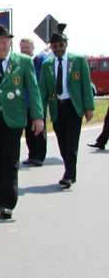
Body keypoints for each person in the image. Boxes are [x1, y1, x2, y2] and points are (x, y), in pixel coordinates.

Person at [0, 25, 44, 220]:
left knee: (10, 161)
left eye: (4, 42)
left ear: (10, 43)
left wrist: (38, 116)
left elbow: (33, 89)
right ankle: (0, 198)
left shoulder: (23, 62)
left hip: (14, 118)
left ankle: (8, 202)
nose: (0, 46)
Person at [37, 24, 94, 188]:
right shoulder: (47, 65)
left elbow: (86, 85)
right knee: (62, 143)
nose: (58, 49)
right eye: (55, 46)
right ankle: (70, 172)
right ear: (51, 47)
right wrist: (39, 112)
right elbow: (42, 90)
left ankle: (68, 175)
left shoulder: (78, 60)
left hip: (73, 107)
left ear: (65, 45)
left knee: (71, 143)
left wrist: (89, 107)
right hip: (57, 108)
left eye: (61, 45)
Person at [20, 38, 47, 166]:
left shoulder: (39, 59)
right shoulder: (19, 62)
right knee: (28, 131)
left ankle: (40, 156)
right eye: (22, 48)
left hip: (37, 102)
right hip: (24, 102)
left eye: (27, 47)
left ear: (32, 48)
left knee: (39, 130)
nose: (24, 50)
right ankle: (32, 155)